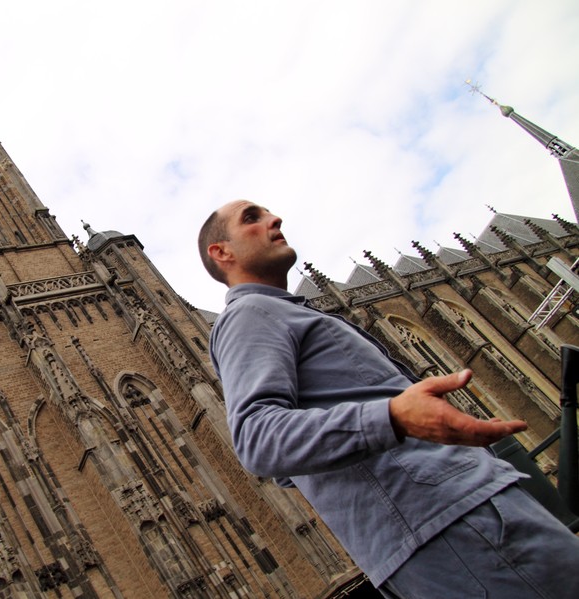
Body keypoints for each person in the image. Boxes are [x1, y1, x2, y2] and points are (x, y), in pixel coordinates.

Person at [199, 199, 579, 598]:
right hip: (457, 523)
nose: (274, 218)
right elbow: (259, 440)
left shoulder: (278, 312)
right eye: (251, 218)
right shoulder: (251, 315)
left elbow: (287, 468)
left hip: (456, 517)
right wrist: (395, 416)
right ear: (221, 252)